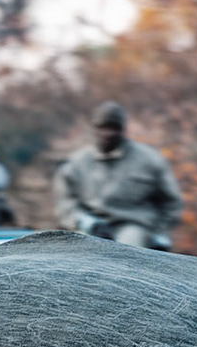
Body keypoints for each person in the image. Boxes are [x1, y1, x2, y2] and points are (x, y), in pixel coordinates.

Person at [52, 101, 183, 250]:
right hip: (90, 226)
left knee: (127, 253)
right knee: (81, 253)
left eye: (114, 128)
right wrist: (85, 222)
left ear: (122, 130)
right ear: (94, 129)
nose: (108, 134)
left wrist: (160, 233)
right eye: (103, 128)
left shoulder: (149, 160)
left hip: (135, 225)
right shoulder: (76, 163)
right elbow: (64, 202)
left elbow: (172, 202)